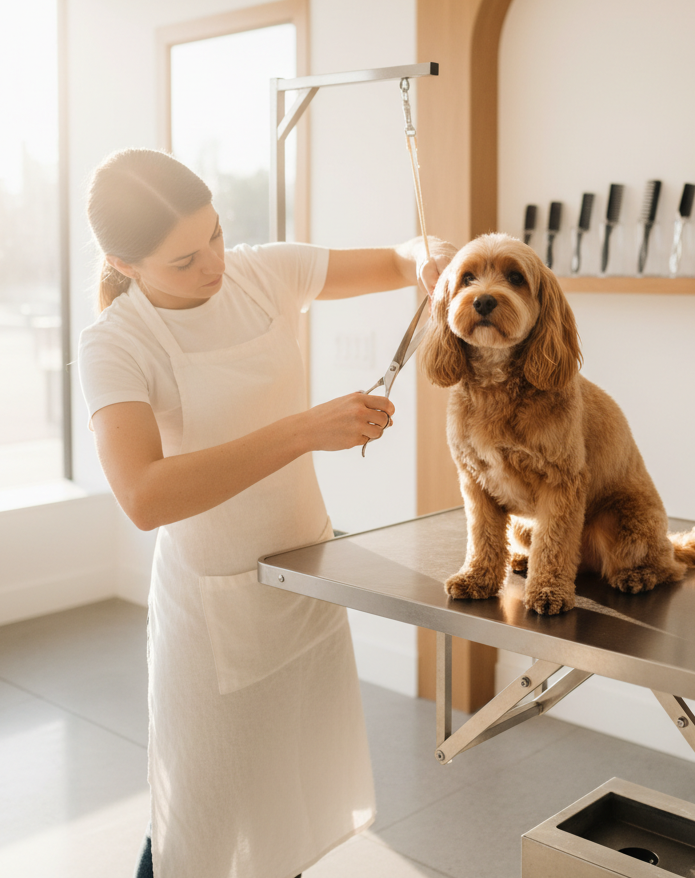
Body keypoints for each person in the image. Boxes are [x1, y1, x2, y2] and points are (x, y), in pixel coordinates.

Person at [77, 148, 453, 878]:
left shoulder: (261, 274)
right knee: (200, 823)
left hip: (303, 582)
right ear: (124, 264)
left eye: (215, 234)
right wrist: (304, 431)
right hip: (212, 613)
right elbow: (144, 496)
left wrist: (430, 257)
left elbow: (397, 257)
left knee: (285, 810)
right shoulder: (116, 344)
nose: (213, 264)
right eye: (184, 260)